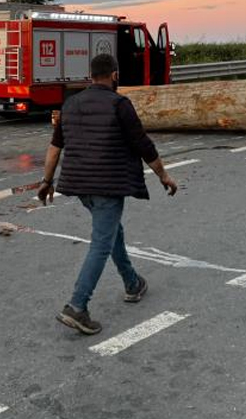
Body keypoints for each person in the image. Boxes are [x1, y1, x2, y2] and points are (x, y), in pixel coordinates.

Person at [38, 53, 178, 335]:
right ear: (114, 75)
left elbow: (55, 147)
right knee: (101, 243)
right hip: (107, 185)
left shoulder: (70, 104)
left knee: (112, 231)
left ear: (91, 76)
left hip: (79, 186)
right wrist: (163, 175)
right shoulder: (120, 104)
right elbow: (143, 145)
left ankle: (132, 283)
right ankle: (77, 306)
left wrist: (46, 181)